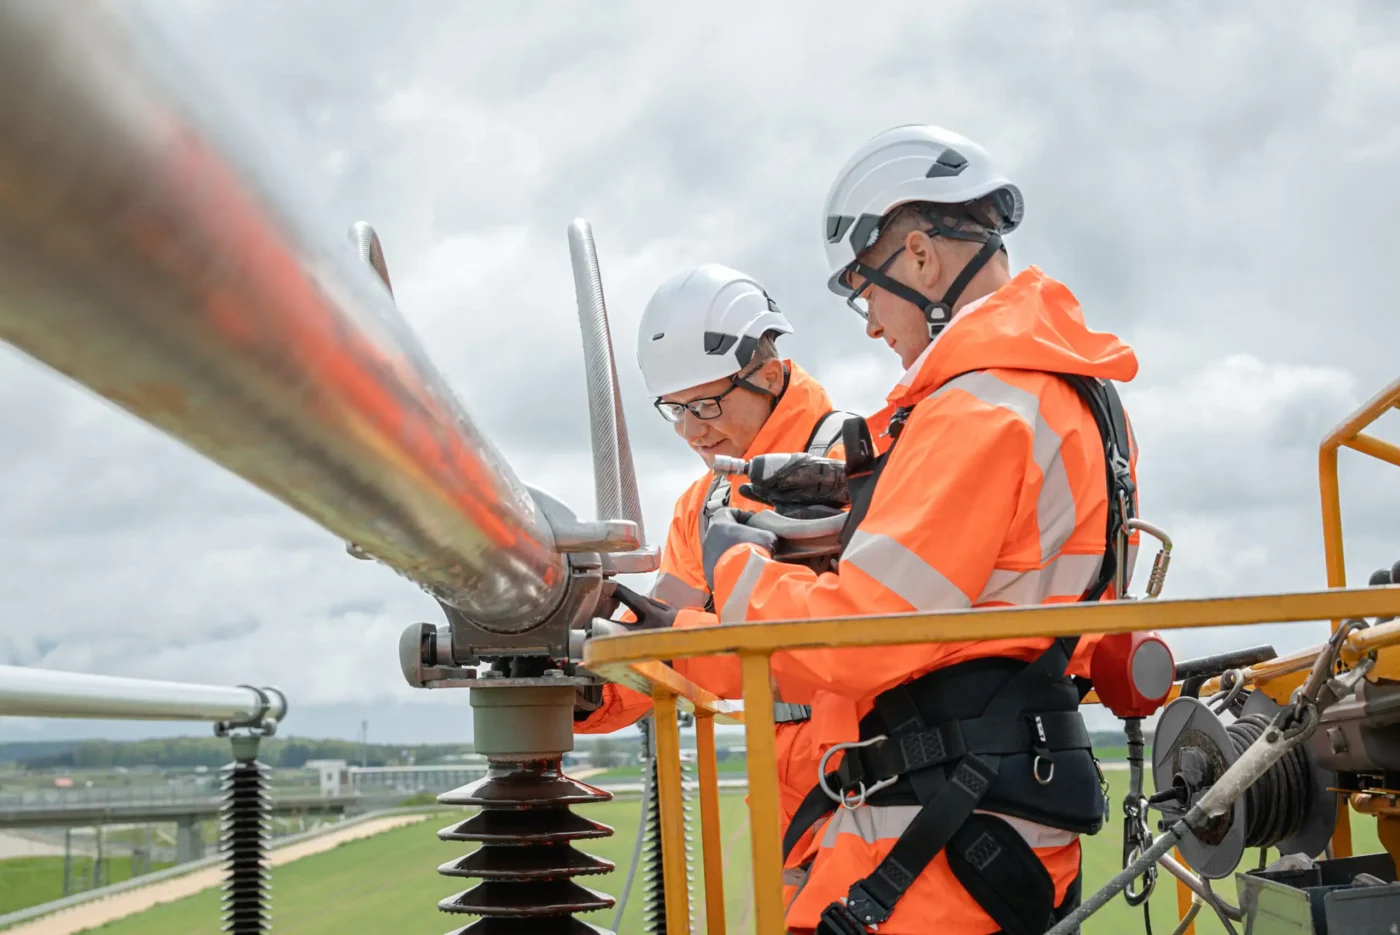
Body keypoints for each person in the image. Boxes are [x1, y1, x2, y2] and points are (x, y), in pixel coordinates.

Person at [700, 125, 1142, 935]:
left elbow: (865, 632)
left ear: (919, 256)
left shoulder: (978, 406)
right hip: (997, 806)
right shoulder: (1072, 393)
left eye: (866, 291)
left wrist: (737, 571)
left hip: (938, 833)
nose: (871, 324)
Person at [575, 262, 859, 830]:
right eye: (675, 410)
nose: (691, 432)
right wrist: (588, 690)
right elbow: (663, 643)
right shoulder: (701, 507)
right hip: (782, 796)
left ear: (771, 374)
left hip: (875, 764)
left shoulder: (859, 466)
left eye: (706, 405)